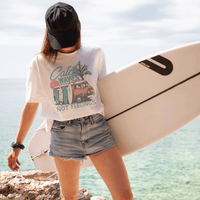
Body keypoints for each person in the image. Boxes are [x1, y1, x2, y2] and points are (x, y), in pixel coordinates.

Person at [7, 2, 134, 200]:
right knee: (70, 197)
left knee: (124, 196)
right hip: (62, 134)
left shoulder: (95, 54)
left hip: (96, 128)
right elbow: (32, 104)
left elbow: (105, 94)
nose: (66, 47)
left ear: (78, 28)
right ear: (49, 35)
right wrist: (17, 146)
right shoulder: (39, 63)